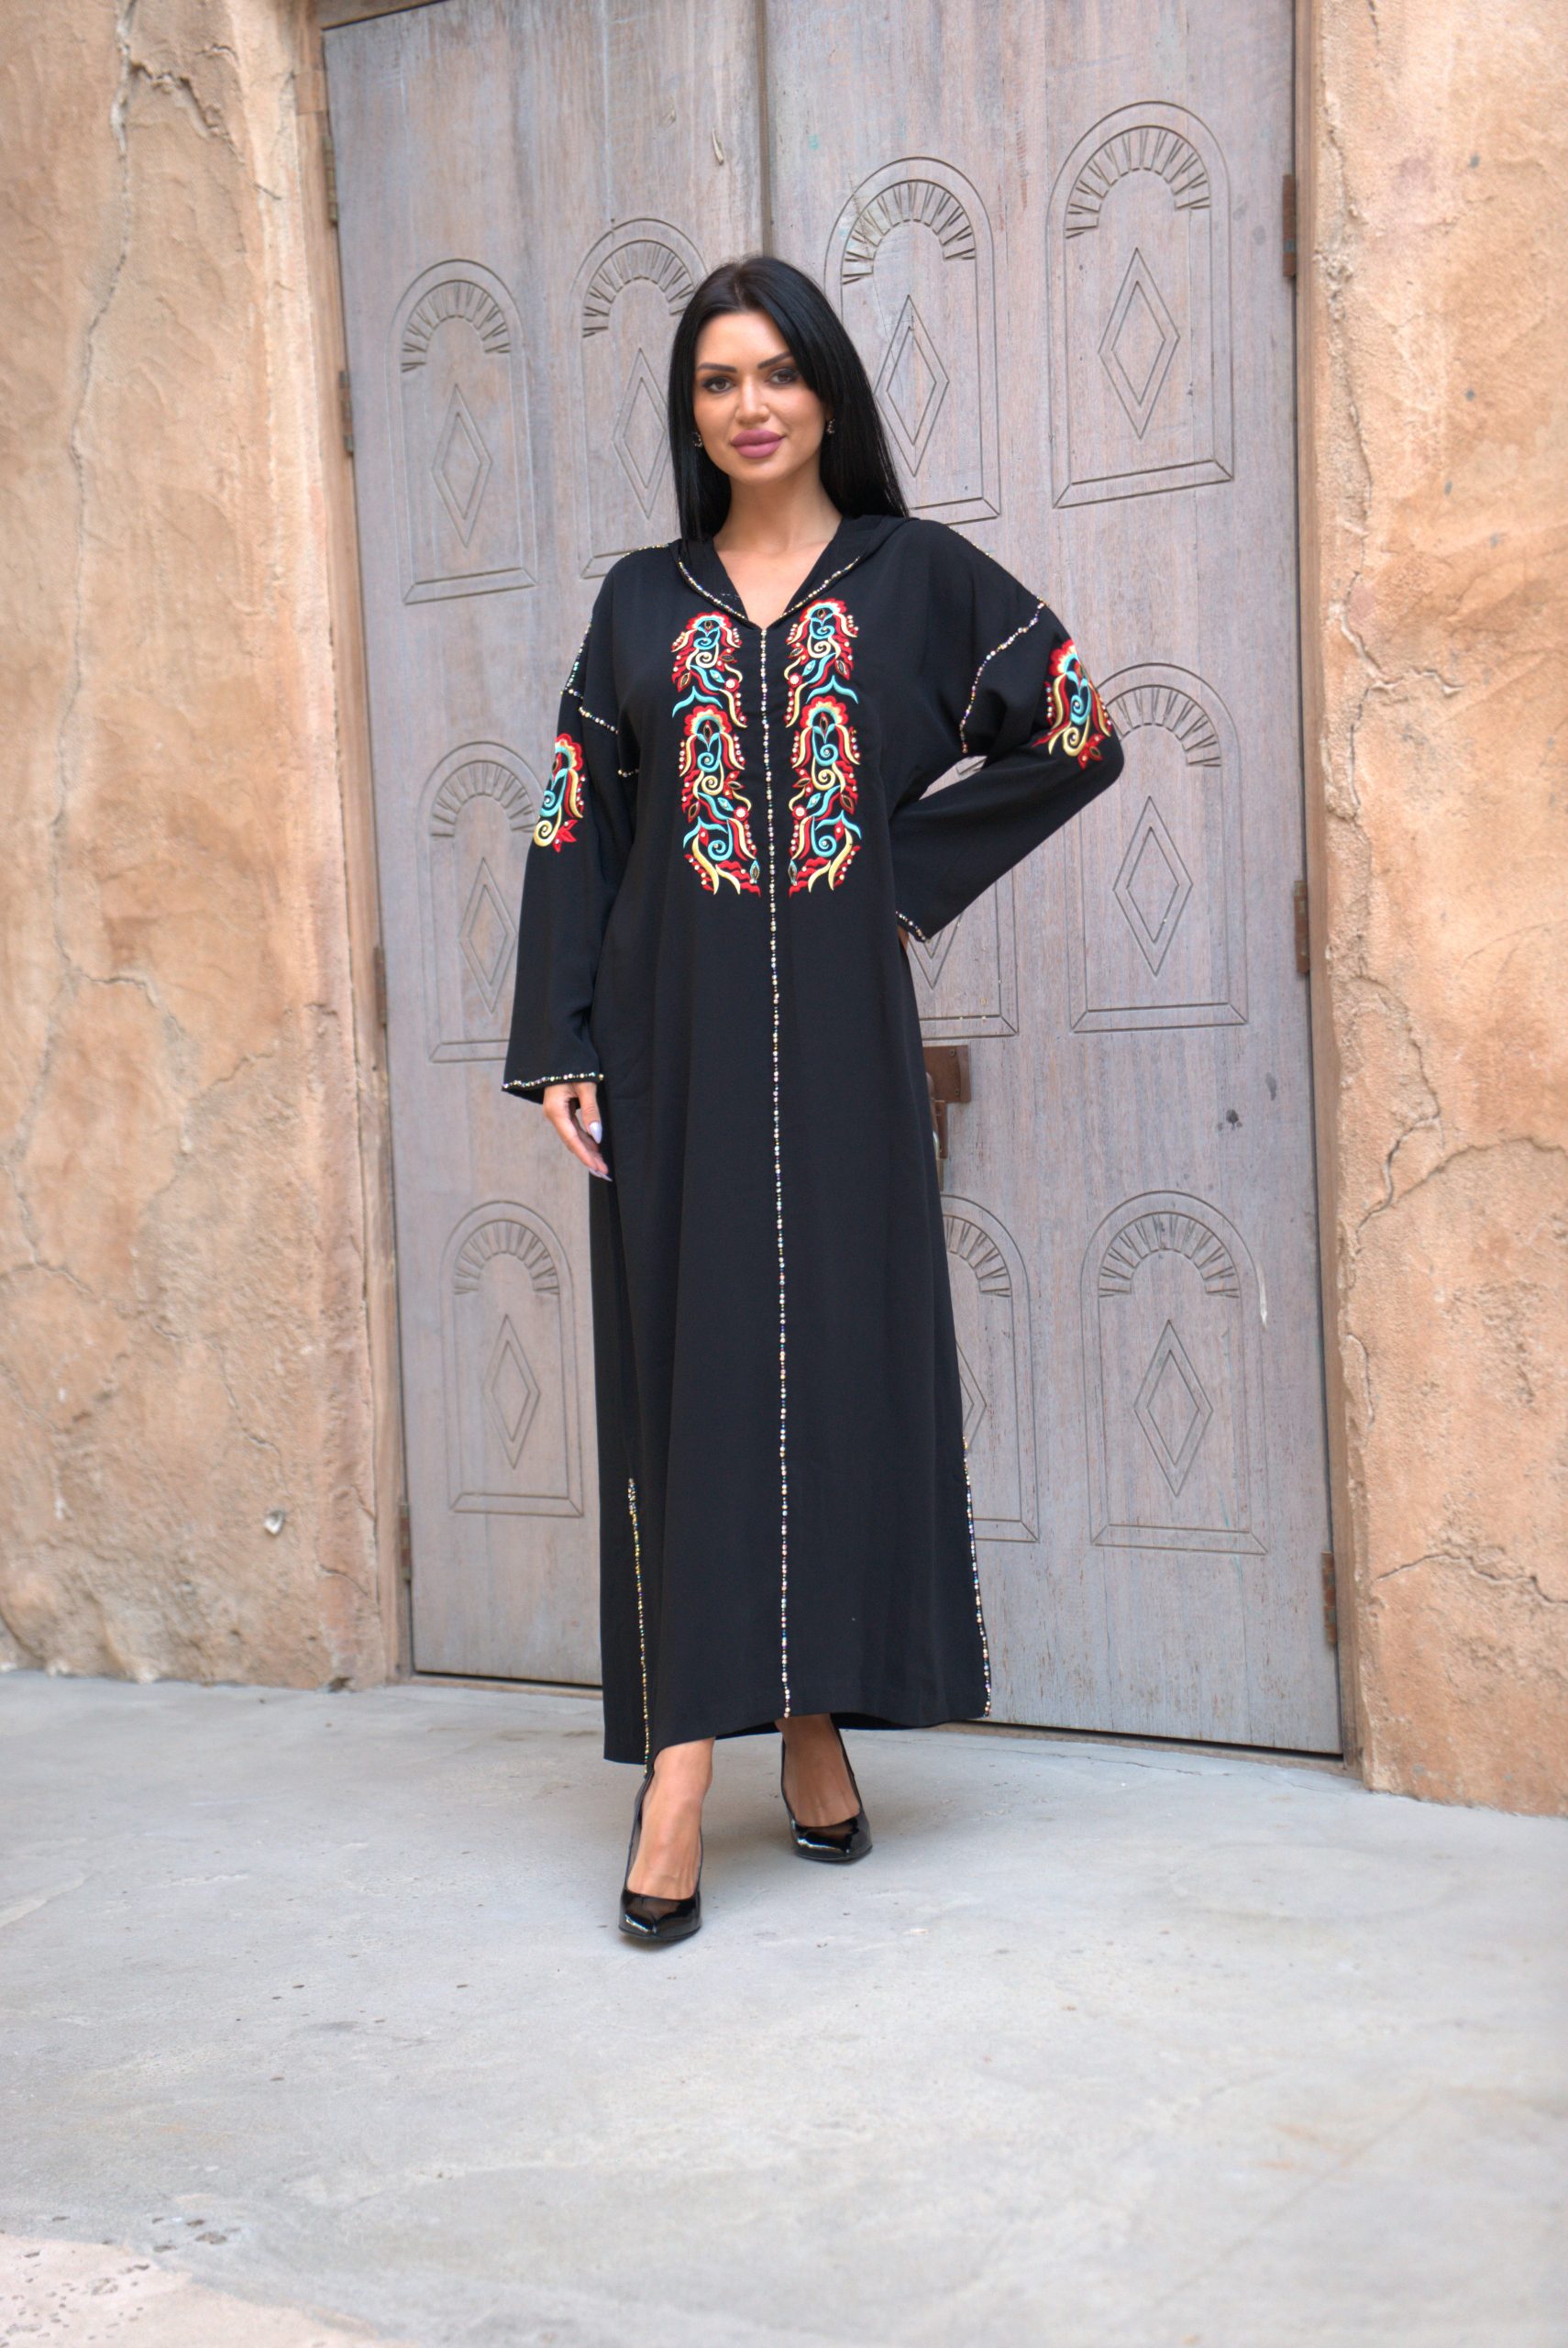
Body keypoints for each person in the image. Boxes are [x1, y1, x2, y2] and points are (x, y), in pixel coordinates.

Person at [502, 255, 1124, 1944]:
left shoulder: (914, 578)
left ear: (827, 390)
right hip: (668, 1037)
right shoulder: (640, 601)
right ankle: (681, 1770)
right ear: (690, 411)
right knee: (691, 1379)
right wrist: (562, 1037)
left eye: (776, 372)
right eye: (717, 380)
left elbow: (1076, 729)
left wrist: (891, 883)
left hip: (843, 1042)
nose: (750, 405)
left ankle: (811, 1716)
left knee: (837, 1366)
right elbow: (574, 819)